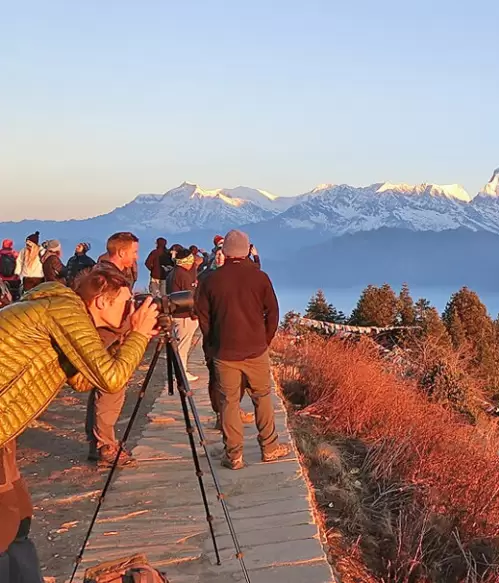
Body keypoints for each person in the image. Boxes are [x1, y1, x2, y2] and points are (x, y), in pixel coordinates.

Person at [0, 271, 160, 581]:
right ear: (101, 301)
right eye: (126, 304)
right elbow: (110, 379)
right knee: (5, 522)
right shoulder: (63, 311)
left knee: (18, 516)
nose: (130, 310)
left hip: (5, 432)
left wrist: (124, 334)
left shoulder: (67, 312)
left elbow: (82, 379)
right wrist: (138, 334)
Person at [195, 230, 288, 470]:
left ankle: (234, 455)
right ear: (247, 251)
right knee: (262, 397)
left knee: (229, 403)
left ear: (224, 252)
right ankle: (269, 447)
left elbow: (203, 317)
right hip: (256, 348)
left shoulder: (211, 280)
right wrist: (264, 339)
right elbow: (273, 312)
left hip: (224, 351)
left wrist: (213, 342)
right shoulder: (260, 277)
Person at [85, 232, 141, 466]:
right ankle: (105, 446)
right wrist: (136, 325)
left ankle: (98, 442)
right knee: (111, 390)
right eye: (134, 252)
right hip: (108, 341)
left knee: (102, 392)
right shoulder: (107, 277)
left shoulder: (105, 272)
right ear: (121, 252)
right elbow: (110, 317)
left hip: (106, 340)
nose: (136, 256)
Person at [166, 248, 200, 384]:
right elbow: (189, 296)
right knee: (183, 346)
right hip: (184, 315)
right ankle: (181, 373)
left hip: (176, 313)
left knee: (181, 344)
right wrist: (194, 314)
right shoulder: (183, 275)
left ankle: (181, 371)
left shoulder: (173, 273)